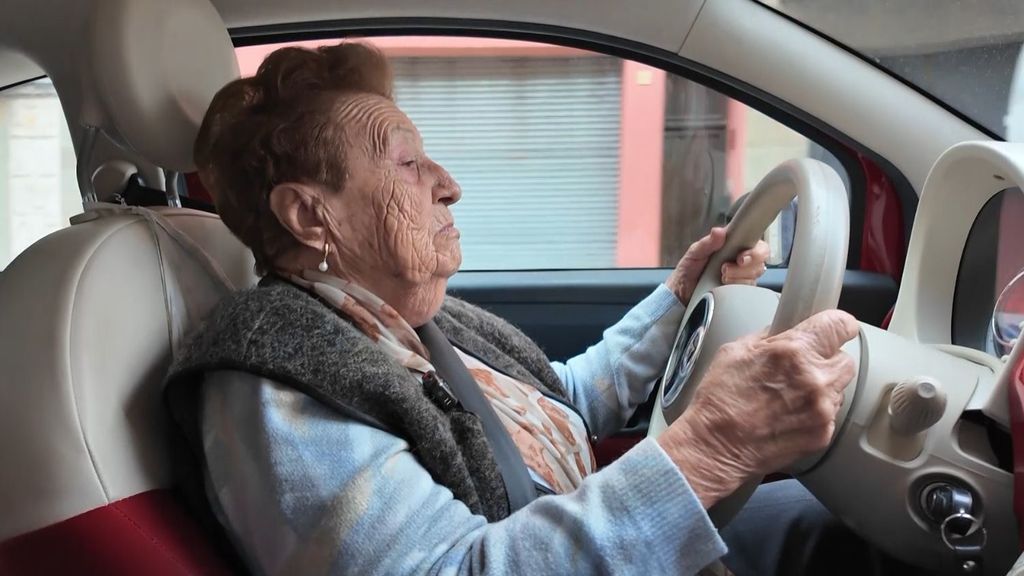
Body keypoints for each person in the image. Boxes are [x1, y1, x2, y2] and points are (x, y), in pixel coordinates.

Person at [165, 42, 862, 576]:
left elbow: (561, 406)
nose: (449, 185)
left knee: (828, 519)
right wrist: (714, 447)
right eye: (408, 164)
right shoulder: (275, 380)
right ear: (310, 216)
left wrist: (678, 299)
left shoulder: (399, 320)